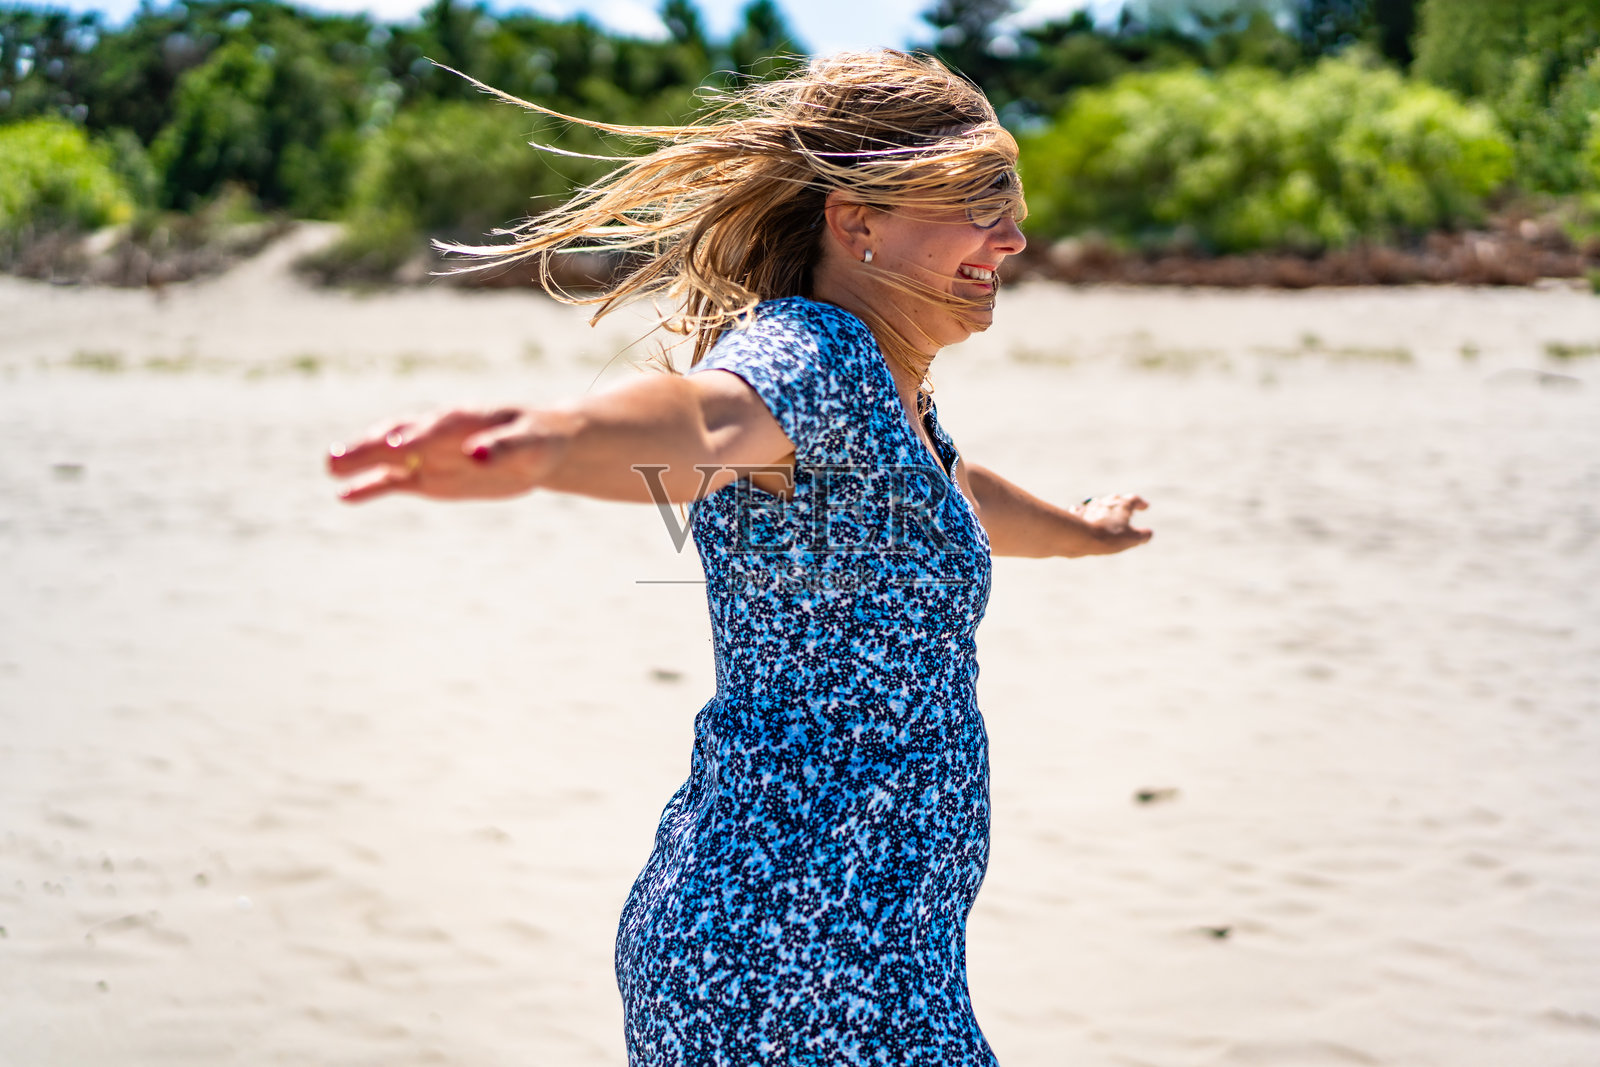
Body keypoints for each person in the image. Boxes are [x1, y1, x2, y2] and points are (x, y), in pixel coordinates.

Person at [328, 49, 1151, 1066]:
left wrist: (1082, 527)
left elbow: (955, 495)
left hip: (847, 947)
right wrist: (544, 438)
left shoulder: (886, 396)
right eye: (978, 200)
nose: (1014, 235)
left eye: (1012, 204)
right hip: (798, 960)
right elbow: (703, 423)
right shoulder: (816, 352)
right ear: (858, 222)